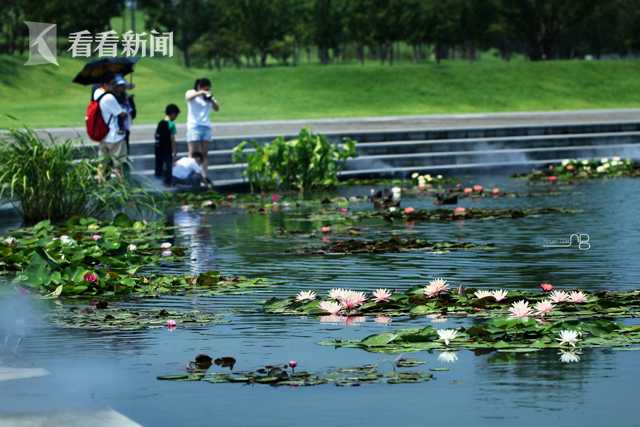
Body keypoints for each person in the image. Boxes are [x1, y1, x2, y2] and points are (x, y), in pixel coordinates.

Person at [93, 74, 128, 178]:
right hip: (114, 136)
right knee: (118, 164)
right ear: (106, 84)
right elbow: (121, 114)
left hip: (102, 134)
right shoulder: (109, 97)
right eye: (112, 84)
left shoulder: (97, 93)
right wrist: (125, 110)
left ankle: (100, 184)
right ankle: (121, 187)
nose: (114, 86)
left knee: (102, 163)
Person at [185, 78, 220, 180]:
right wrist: (200, 93)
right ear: (199, 87)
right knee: (193, 153)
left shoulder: (208, 97)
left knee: (204, 154)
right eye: (206, 88)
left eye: (209, 88)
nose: (207, 90)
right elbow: (188, 98)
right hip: (194, 126)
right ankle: (190, 176)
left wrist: (211, 99)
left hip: (206, 127)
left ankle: (204, 176)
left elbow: (217, 108)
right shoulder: (192, 92)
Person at [154, 104, 180, 185]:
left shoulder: (160, 123)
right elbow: (173, 139)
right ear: (173, 114)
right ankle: (168, 184)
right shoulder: (171, 124)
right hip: (167, 149)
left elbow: (156, 135)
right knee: (168, 167)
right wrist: (175, 152)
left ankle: (156, 184)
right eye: (176, 115)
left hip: (158, 149)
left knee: (158, 167)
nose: (176, 117)